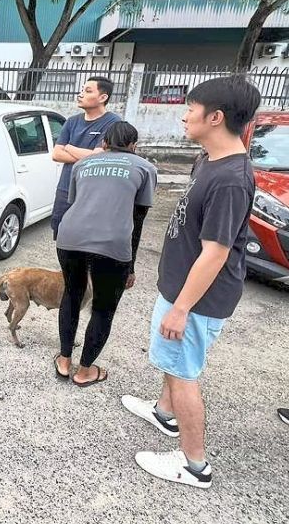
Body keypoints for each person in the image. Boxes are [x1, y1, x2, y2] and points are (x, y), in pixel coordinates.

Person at [122, 75, 261, 489]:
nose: (183, 116)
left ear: (215, 117)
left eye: (190, 110)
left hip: (196, 300)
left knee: (184, 373)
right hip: (180, 288)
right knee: (172, 362)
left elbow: (216, 252)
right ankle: (164, 414)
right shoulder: (208, 159)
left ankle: (195, 464)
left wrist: (181, 308)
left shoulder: (232, 179)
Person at [54, 121, 157, 386]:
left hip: (70, 237)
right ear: (134, 145)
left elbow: (76, 203)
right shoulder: (145, 168)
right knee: (102, 307)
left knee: (72, 295)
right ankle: (85, 370)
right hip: (113, 246)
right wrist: (130, 266)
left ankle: (64, 361)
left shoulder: (81, 165)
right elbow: (138, 219)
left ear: (103, 143)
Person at [50, 77, 121, 239]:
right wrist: (87, 154)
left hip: (92, 192)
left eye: (88, 91)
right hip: (66, 188)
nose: (80, 94)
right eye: (82, 90)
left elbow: (98, 157)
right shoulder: (72, 121)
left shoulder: (113, 123)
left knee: (87, 238)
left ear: (103, 98)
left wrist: (68, 146)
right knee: (61, 235)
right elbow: (56, 154)